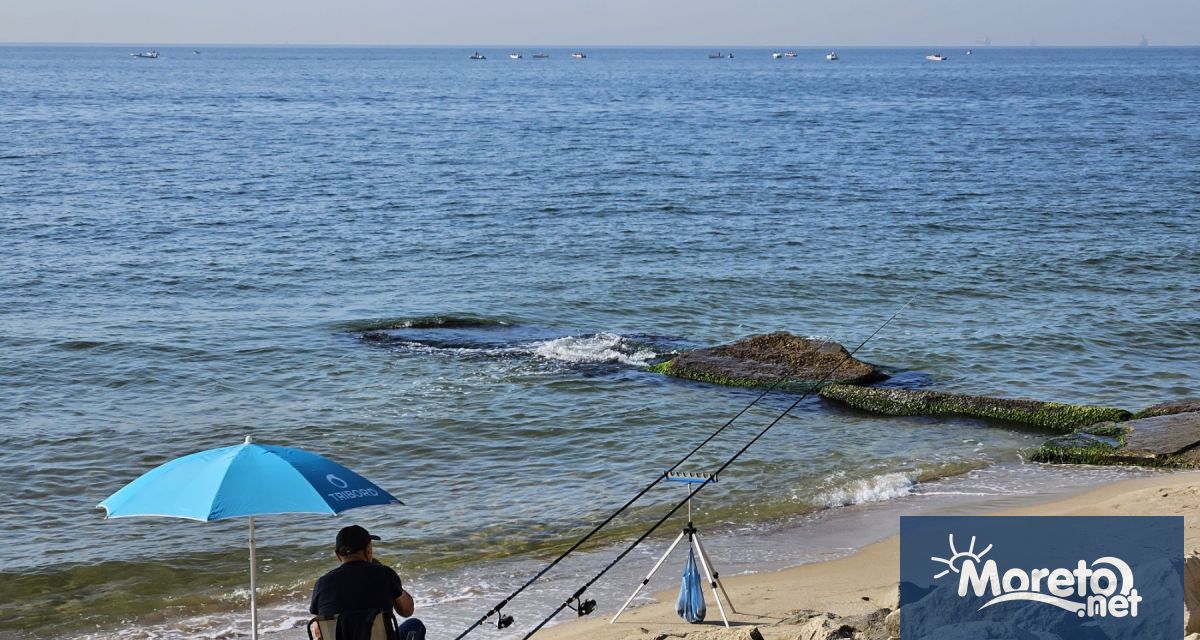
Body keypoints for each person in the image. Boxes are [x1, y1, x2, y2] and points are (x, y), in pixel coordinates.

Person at [309, 525, 426, 640]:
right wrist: (394, 584)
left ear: (338, 555)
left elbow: (317, 632)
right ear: (368, 550)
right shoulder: (384, 573)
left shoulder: (322, 583)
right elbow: (407, 611)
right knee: (415, 625)